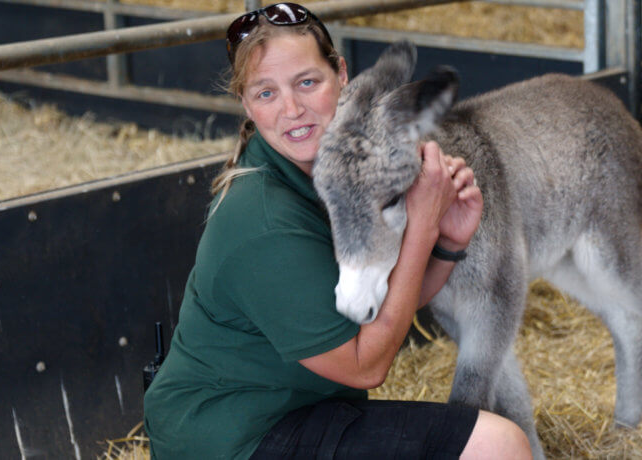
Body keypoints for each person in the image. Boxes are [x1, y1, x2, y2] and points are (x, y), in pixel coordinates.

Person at [142, 4, 531, 459]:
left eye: (307, 82)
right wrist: (424, 226)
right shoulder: (263, 219)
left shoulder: (331, 173)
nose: (292, 109)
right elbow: (366, 366)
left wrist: (448, 242)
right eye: (266, 93)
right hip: (234, 437)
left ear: (341, 75)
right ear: (245, 103)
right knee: (497, 445)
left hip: (297, 411)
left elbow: (377, 310)